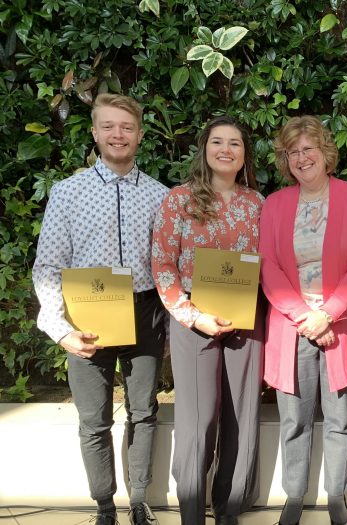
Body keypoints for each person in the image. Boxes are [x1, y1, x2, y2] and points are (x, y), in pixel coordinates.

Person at [33, 93, 167, 525]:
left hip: (145, 314)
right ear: (94, 133)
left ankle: (139, 502)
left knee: (145, 412)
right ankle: (105, 507)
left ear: (140, 135)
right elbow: (49, 264)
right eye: (108, 126)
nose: (118, 134)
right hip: (86, 317)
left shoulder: (160, 195)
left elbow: (170, 263)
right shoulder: (68, 193)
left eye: (127, 127)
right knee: (93, 420)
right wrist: (60, 329)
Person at [259, 115, 347, 525]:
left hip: (343, 326)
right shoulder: (275, 204)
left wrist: (327, 313)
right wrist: (305, 316)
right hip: (291, 324)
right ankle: (294, 496)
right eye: (292, 152)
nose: (301, 157)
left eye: (308, 149)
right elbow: (269, 267)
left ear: (325, 152)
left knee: (341, 418)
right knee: (293, 419)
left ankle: (336, 495)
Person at [151, 116, 264, 525]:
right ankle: (192, 511)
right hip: (193, 325)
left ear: (244, 154)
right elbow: (162, 264)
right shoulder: (179, 199)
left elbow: (267, 264)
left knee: (241, 418)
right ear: (204, 148)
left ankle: (229, 508)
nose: (226, 149)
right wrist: (193, 315)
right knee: (198, 420)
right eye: (218, 141)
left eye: (235, 143)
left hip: (245, 324)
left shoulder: (257, 204)